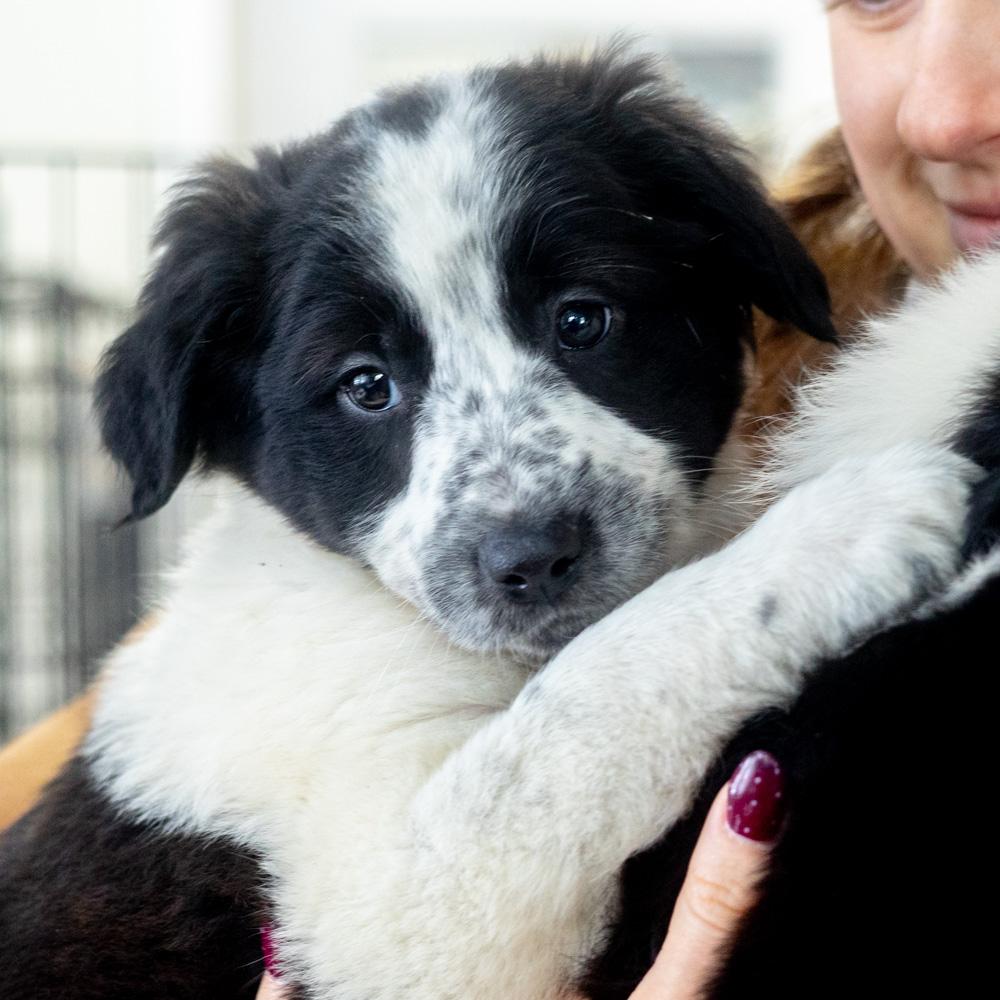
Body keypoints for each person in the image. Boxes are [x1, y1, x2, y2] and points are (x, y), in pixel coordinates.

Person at [3, 0, 998, 995]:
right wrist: (755, 600)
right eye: (366, 386)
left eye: (580, 318)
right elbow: (420, 940)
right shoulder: (273, 648)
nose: (511, 503)